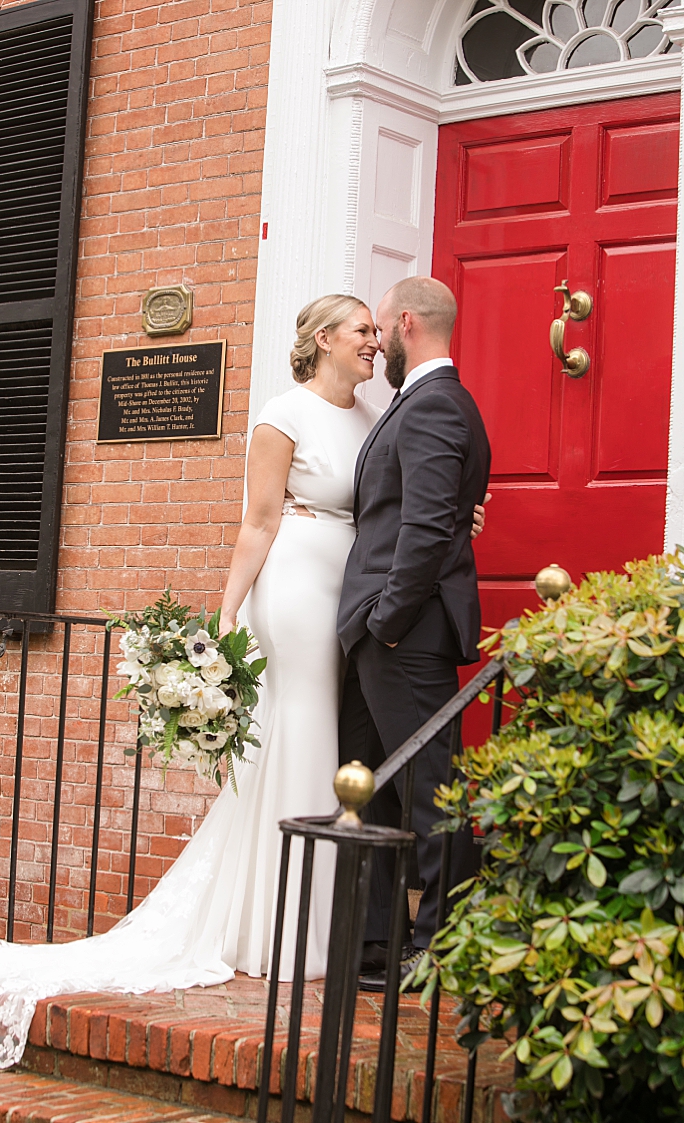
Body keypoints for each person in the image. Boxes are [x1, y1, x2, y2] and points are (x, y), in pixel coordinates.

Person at [0, 293, 452, 1070]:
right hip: (300, 588)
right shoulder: (283, 412)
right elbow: (258, 520)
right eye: (361, 333)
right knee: (307, 733)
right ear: (320, 340)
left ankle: (342, 920)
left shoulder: (380, 414)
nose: (375, 343)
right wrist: (226, 613)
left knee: (339, 745)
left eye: (378, 333)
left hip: (357, 589)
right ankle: (287, 926)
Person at [337, 276, 490, 992]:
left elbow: (427, 530)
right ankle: (380, 938)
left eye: (382, 332)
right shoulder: (421, 404)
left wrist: (387, 622)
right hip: (378, 632)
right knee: (381, 791)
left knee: (433, 791)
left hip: (404, 632)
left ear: (406, 325)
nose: (378, 345)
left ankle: (437, 948)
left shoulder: (433, 407)